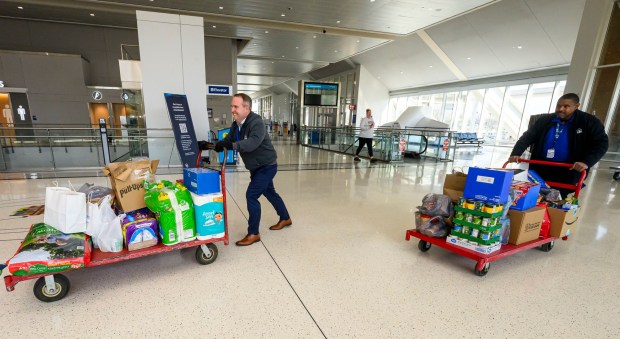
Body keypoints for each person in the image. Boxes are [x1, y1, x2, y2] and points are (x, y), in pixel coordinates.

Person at [199, 93, 292, 246]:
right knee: (270, 192)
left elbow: (252, 143)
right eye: (232, 107)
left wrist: (233, 146)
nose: (232, 110)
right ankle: (285, 218)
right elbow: (229, 140)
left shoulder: (257, 123)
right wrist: (214, 145)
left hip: (267, 166)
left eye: (235, 107)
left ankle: (253, 233)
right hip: (255, 166)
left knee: (251, 195)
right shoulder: (237, 123)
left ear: (246, 108)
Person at [508, 93, 608, 196]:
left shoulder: (589, 122)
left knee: (558, 198)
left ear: (577, 106)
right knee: (535, 195)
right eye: (558, 105)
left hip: (567, 169)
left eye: (566, 106)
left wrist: (586, 162)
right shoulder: (545, 120)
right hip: (541, 166)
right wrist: (516, 153)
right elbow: (527, 137)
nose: (560, 109)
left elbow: (601, 144)